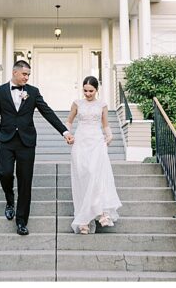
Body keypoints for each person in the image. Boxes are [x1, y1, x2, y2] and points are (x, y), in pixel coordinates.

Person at [0, 60, 74, 236]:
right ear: (14, 73)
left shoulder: (33, 92)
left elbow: (47, 112)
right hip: (5, 140)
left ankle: (21, 221)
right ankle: (9, 200)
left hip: (26, 142)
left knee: (25, 181)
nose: (27, 78)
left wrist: (64, 132)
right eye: (24, 74)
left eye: (28, 75)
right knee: (4, 173)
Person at [66, 76, 122, 234]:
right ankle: (83, 219)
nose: (88, 93)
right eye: (85, 90)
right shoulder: (77, 103)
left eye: (91, 91)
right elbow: (69, 121)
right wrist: (67, 134)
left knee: (96, 175)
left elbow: (105, 124)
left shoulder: (102, 105)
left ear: (97, 90)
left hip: (97, 142)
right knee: (83, 177)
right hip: (81, 142)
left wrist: (109, 135)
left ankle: (101, 211)